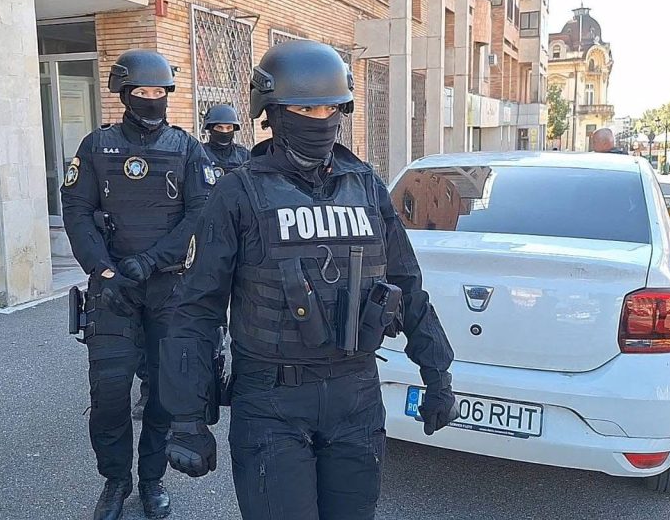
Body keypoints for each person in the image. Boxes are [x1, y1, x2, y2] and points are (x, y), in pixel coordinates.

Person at [158, 40, 458, 520]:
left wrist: (437, 373)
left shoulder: (366, 185)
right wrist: (186, 417)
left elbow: (406, 285)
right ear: (273, 113)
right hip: (270, 400)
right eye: (304, 109)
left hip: (356, 395)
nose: (320, 119)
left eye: (329, 108)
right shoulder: (238, 192)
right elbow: (196, 308)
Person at [60, 49, 215, 520]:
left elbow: (200, 215)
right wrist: (103, 269)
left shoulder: (187, 148)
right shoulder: (96, 145)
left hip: (168, 288)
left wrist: (151, 261)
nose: (152, 99)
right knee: (109, 397)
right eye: (143, 91)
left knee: (164, 395)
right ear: (125, 94)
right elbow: (77, 210)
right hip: (112, 290)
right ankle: (115, 480)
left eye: (159, 92)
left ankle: (151, 480)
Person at [201, 103, 250, 177]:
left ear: (234, 129)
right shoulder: (201, 153)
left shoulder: (243, 155)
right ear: (211, 129)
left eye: (229, 128)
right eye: (219, 127)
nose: (224, 131)